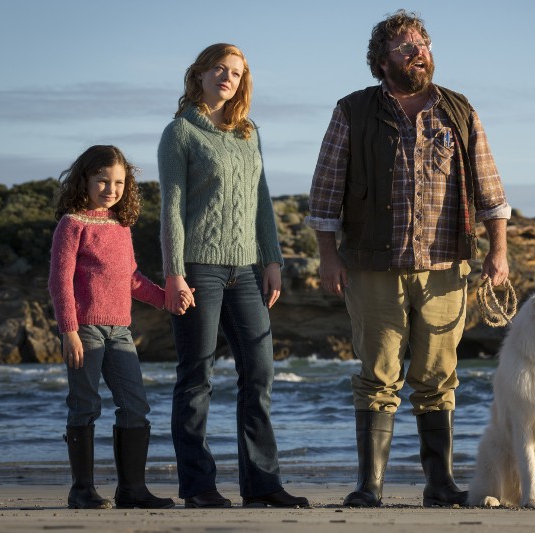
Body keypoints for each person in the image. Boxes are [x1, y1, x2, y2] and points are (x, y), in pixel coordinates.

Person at [307, 10, 511, 508]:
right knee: (377, 375)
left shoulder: (459, 110)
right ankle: (369, 486)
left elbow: (490, 189)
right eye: (404, 46)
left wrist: (499, 251)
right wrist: (328, 257)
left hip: (448, 267)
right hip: (372, 267)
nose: (417, 51)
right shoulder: (352, 110)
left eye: (422, 43)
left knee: (438, 377)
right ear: (381, 61)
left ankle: (439, 485)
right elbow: (326, 190)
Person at [158, 43, 308, 509]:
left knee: (259, 373)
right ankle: (198, 487)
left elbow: (261, 200)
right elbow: (172, 210)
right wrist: (174, 274)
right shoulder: (180, 132)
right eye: (219, 69)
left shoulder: (248, 133)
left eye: (237, 73)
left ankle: (262, 485)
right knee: (196, 375)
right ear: (199, 74)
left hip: (246, 269)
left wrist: (273, 259)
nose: (228, 78)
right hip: (198, 269)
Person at [48, 145, 188, 510]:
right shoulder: (72, 223)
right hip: (85, 330)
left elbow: (131, 279)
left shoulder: (120, 226)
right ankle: (82, 491)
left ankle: (132, 490)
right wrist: (69, 330)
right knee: (84, 405)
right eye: (103, 181)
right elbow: (59, 281)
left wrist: (168, 299)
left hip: (120, 331)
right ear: (85, 180)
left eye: (119, 182)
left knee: (135, 406)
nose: (111, 189)